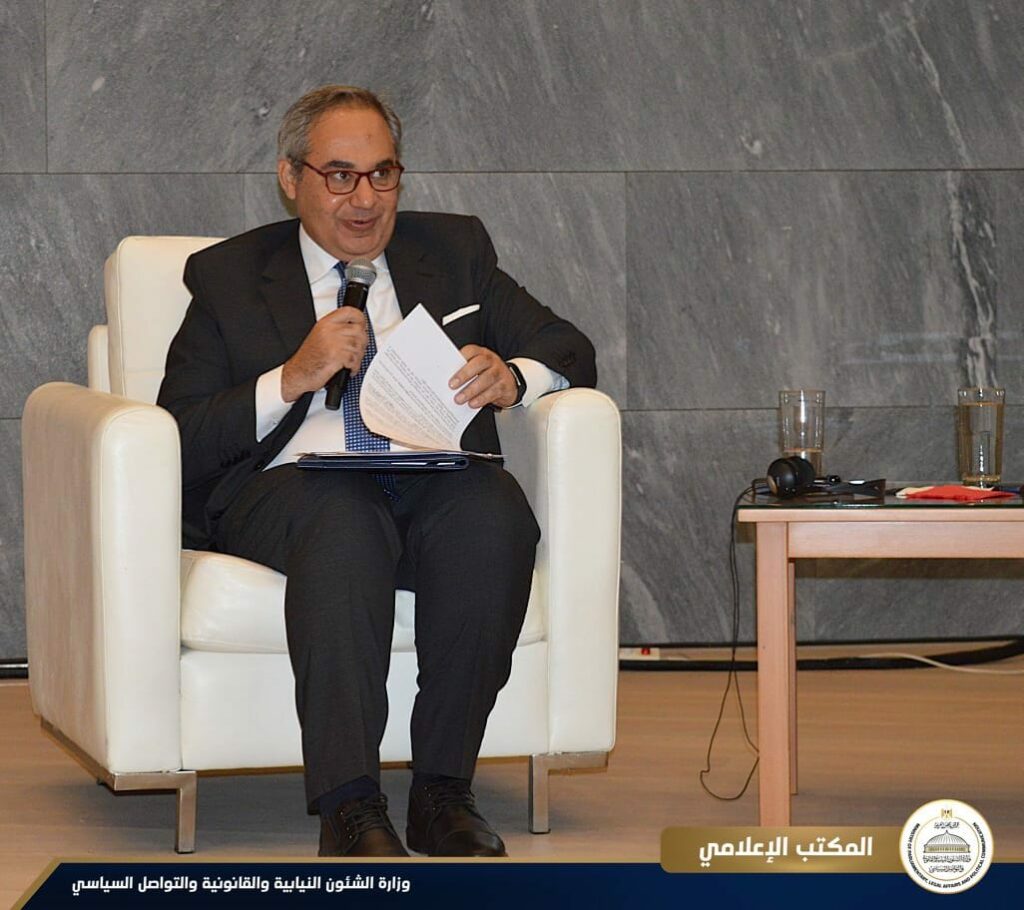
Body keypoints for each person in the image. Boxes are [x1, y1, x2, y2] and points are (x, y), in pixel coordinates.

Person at [157, 85, 596, 858]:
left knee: (493, 513)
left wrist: (515, 377)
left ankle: (442, 792)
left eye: (382, 174)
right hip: (293, 487)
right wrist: (290, 377)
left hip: (434, 474)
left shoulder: (454, 252)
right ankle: (351, 806)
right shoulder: (228, 276)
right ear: (290, 177)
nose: (364, 200)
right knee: (343, 522)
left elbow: (569, 348)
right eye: (339, 176)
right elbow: (181, 434)